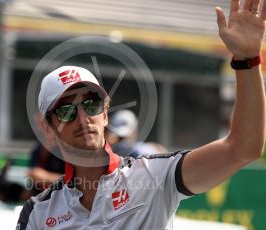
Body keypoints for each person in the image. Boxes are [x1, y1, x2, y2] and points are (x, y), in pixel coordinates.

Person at [16, 0, 266, 229]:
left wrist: (247, 61)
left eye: (91, 105)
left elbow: (242, 149)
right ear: (47, 128)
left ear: (105, 113)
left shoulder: (154, 175)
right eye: (67, 110)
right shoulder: (38, 214)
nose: (83, 117)